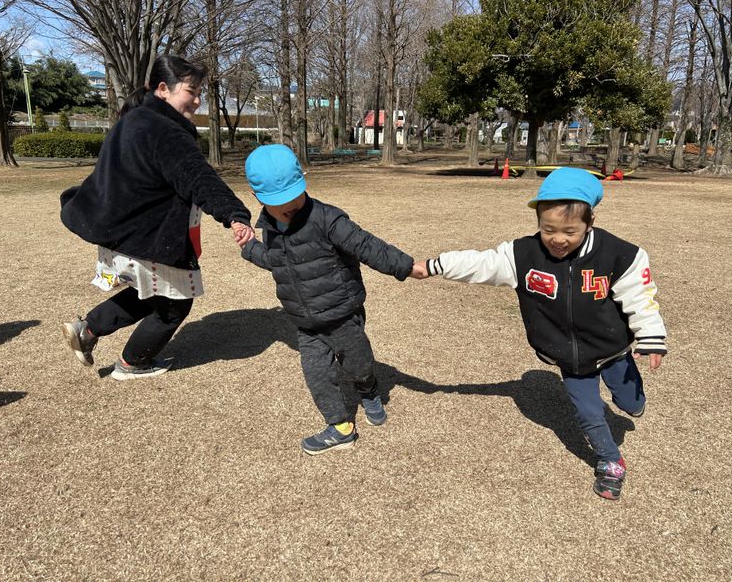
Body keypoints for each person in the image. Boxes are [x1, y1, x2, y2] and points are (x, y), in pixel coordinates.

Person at [417, 167, 667, 500]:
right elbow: (480, 263)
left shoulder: (620, 255)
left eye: (570, 231)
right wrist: (434, 265)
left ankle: (632, 398)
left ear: (590, 223)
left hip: (612, 348)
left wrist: (651, 337)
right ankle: (610, 460)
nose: (558, 239)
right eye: (548, 229)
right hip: (570, 357)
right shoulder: (523, 255)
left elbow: (640, 297)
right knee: (589, 412)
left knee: (630, 402)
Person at [60, 54, 254, 381]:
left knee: (153, 292)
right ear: (163, 89)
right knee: (175, 302)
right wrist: (235, 214)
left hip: (126, 232)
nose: (197, 100)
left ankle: (88, 329)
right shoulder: (165, 131)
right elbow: (200, 179)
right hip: (149, 235)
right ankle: (133, 363)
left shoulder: (133, 120)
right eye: (191, 91)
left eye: (199, 92)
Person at [236, 144, 426, 455]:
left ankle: (369, 390)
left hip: (343, 315)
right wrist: (250, 248)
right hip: (305, 324)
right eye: (280, 204)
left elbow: (366, 245)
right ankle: (340, 427)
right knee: (318, 376)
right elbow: (277, 262)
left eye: (295, 197)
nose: (290, 207)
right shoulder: (270, 228)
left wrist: (406, 267)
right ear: (258, 198)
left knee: (359, 365)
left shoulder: (327, 219)